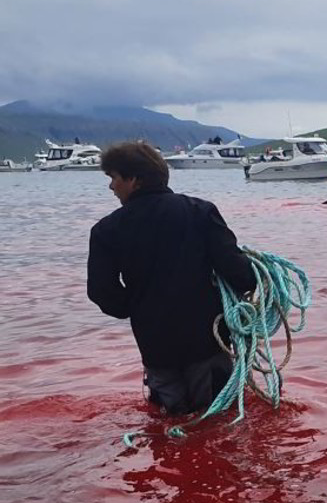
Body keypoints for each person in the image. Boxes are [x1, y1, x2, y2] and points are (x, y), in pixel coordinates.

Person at [87, 142, 255, 416]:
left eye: (113, 178)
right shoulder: (200, 211)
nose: (111, 187)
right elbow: (240, 274)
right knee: (218, 417)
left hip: (156, 346)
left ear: (134, 179)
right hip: (207, 340)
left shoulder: (106, 230)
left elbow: (101, 292)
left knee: (170, 421)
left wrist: (138, 308)